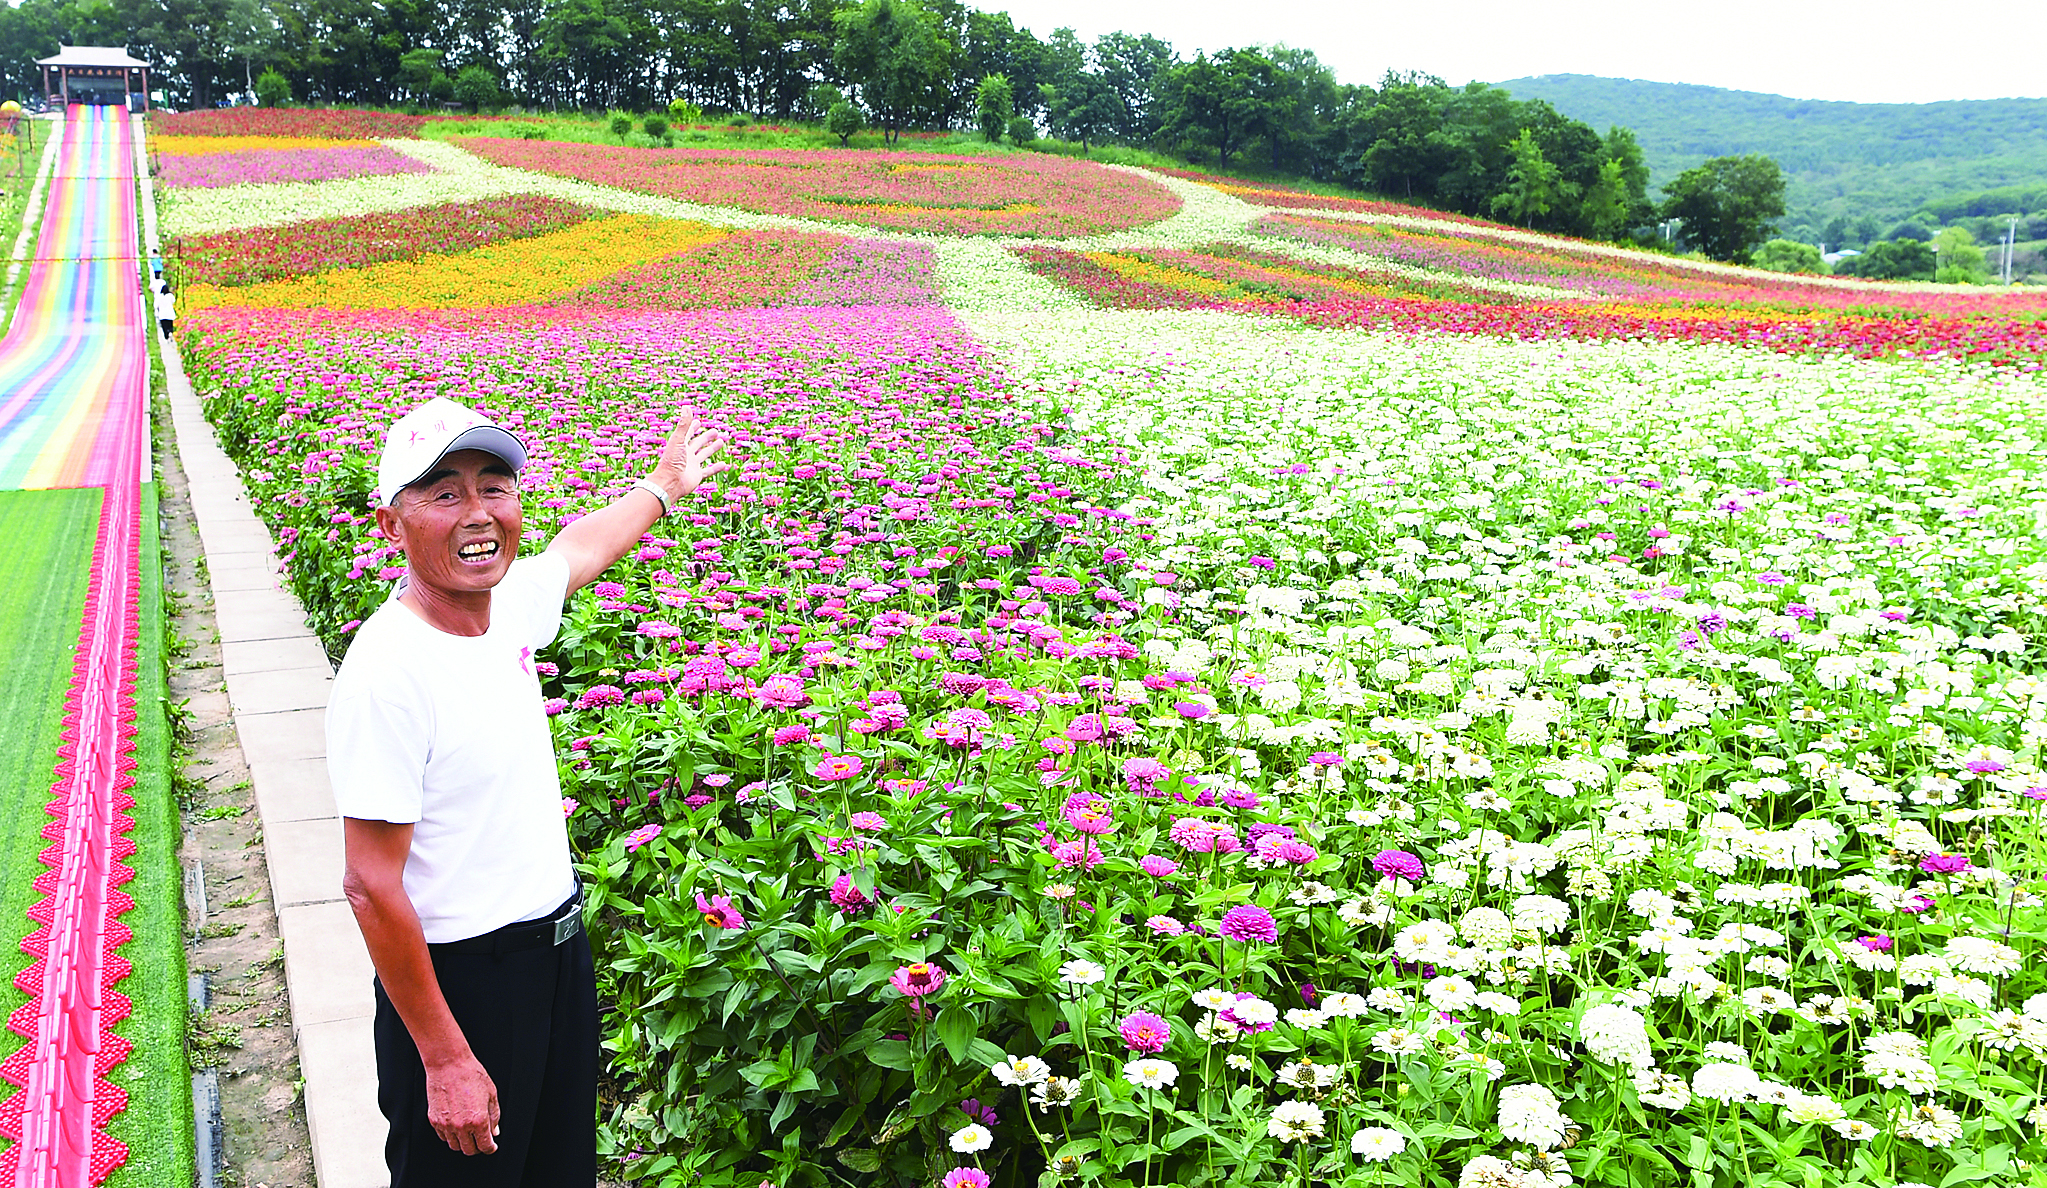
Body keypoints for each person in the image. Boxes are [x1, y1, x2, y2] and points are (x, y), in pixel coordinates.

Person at [330, 396, 727, 1186]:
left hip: (555, 958)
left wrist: (660, 486)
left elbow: (579, 550)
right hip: (462, 985)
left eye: (493, 486)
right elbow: (370, 885)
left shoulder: (503, 607)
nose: (476, 512)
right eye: (442, 493)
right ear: (391, 523)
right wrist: (443, 1057)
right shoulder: (389, 671)